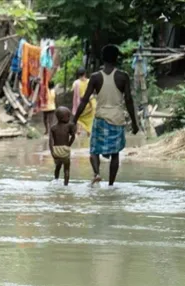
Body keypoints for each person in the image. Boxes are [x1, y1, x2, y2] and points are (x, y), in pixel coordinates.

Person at [73, 45, 139, 186]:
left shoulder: (96, 77)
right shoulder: (123, 77)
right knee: (115, 154)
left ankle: (96, 174)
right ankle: (111, 184)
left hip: (101, 118)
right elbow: (128, 100)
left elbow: (85, 100)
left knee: (94, 150)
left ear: (102, 58)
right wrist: (134, 122)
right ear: (117, 58)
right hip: (117, 119)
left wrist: (74, 119)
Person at [49, 107, 76, 186]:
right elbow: (73, 136)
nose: (69, 117)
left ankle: (56, 180)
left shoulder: (53, 128)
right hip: (65, 149)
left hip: (56, 150)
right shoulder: (69, 126)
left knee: (57, 167)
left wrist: (52, 152)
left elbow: (50, 141)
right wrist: (68, 145)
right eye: (68, 116)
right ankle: (66, 185)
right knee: (66, 169)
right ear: (62, 117)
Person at [72, 67, 97, 135]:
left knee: (79, 120)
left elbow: (75, 96)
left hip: (81, 105)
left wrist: (75, 108)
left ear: (78, 74)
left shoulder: (76, 83)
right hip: (90, 105)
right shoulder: (89, 81)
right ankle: (89, 135)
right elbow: (92, 92)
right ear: (85, 73)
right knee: (90, 122)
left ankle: (78, 133)